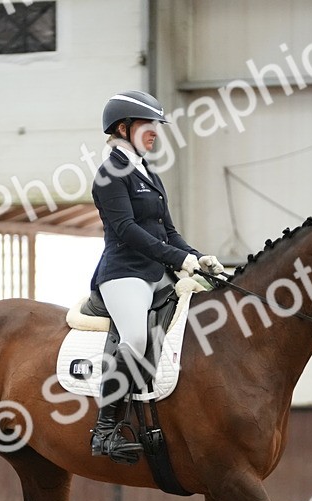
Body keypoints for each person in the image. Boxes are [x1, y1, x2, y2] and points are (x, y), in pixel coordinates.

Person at [88, 90, 225, 463]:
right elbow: (127, 229)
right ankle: (105, 430)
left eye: (156, 126)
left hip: (156, 271)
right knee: (134, 336)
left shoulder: (148, 172)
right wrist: (178, 258)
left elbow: (167, 230)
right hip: (124, 273)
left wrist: (197, 257)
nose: (155, 133)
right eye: (148, 125)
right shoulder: (109, 174)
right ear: (123, 127)